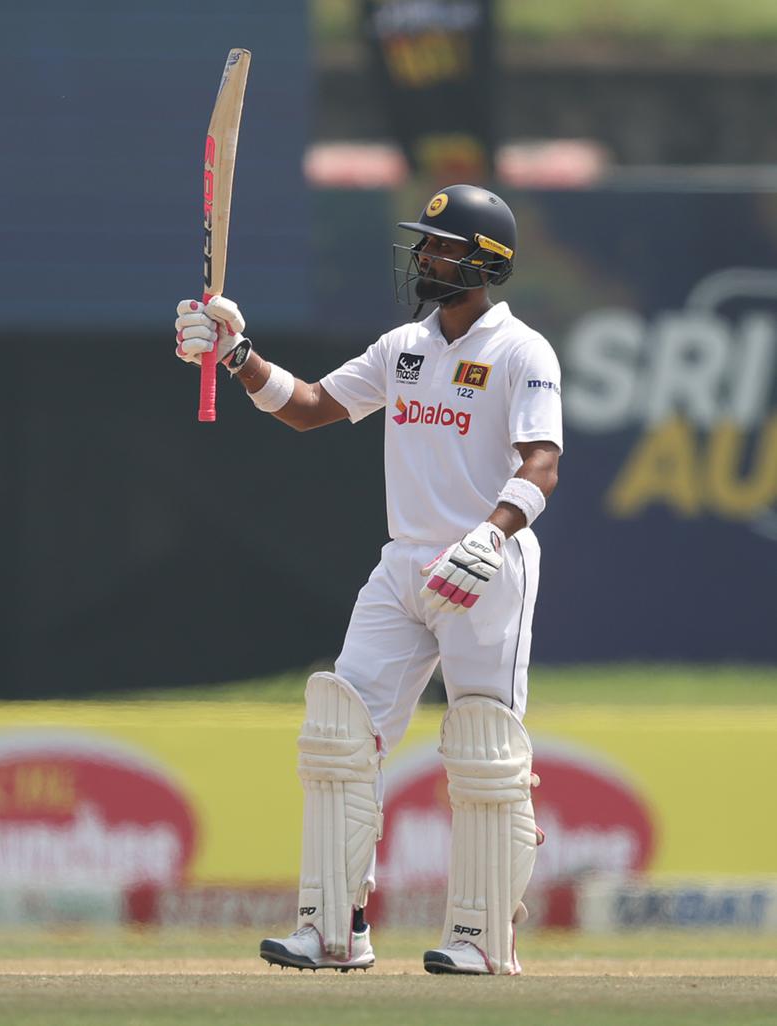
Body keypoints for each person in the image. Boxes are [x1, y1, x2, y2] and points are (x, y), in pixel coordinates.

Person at [175, 184, 562, 976]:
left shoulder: (523, 351)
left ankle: (485, 937)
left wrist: (492, 536)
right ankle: (333, 929)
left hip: (485, 568)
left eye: (442, 245)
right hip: (403, 564)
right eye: (423, 242)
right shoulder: (403, 347)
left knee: (486, 747)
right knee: (338, 731)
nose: (425, 256)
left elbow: (542, 464)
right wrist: (237, 355)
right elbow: (312, 406)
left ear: (486, 262)